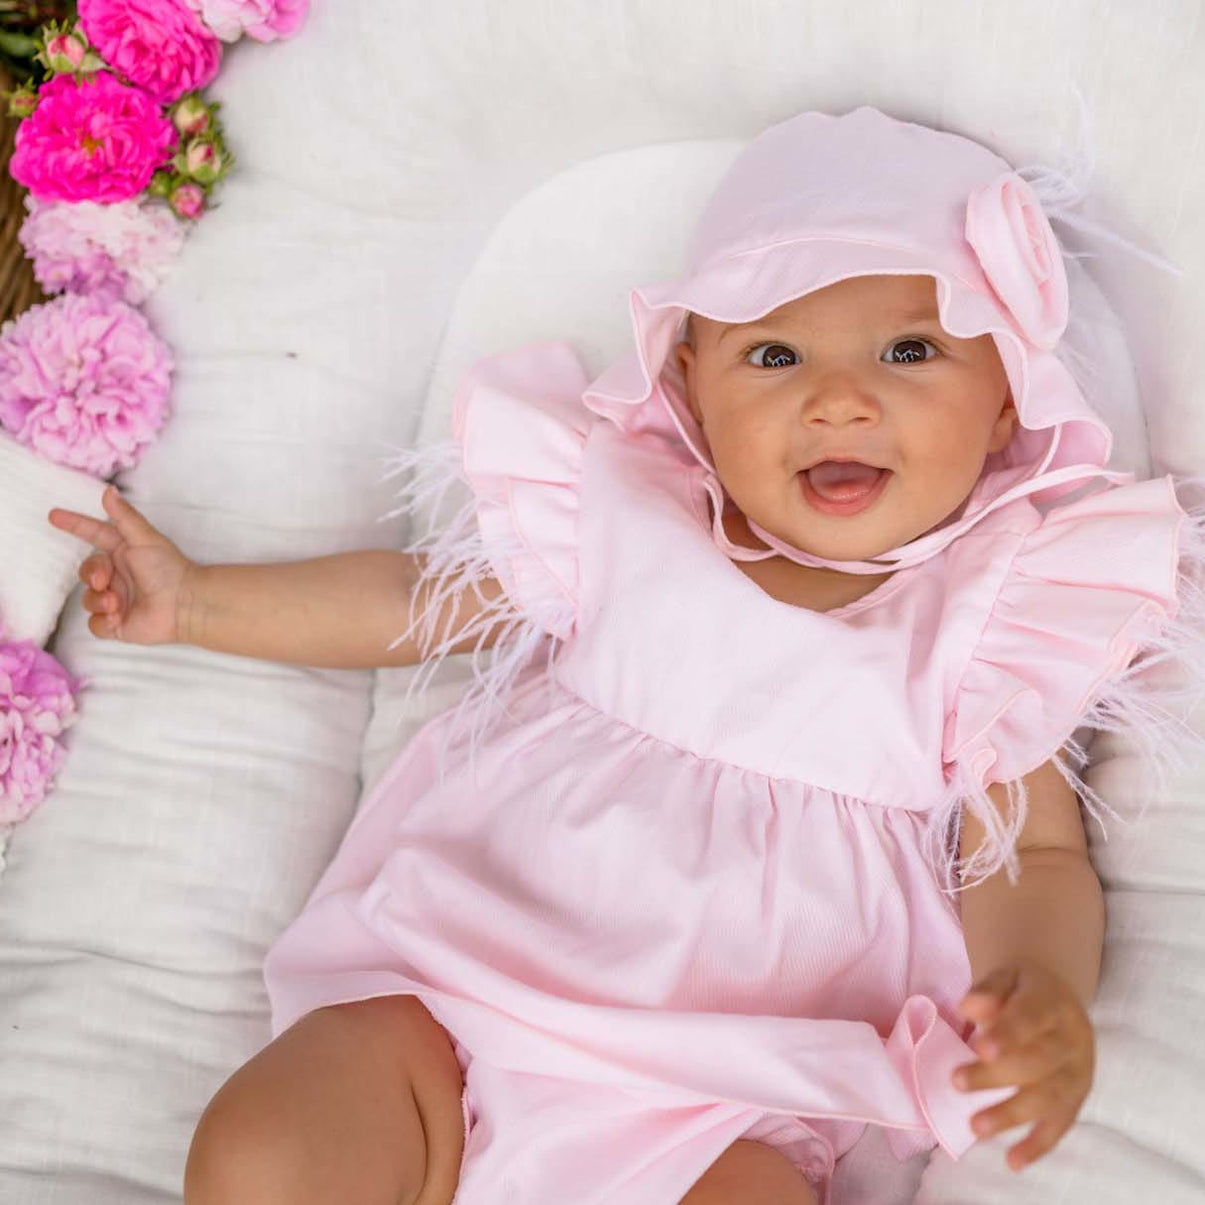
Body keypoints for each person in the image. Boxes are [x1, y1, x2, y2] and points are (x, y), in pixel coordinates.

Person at [48, 106, 1205, 1205]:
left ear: (1004, 401)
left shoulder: (989, 616)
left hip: (726, 1097)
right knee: (267, 1148)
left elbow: (1031, 853)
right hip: (453, 1000)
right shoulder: (624, 511)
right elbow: (415, 602)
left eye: (908, 350)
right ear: (689, 385)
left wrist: (1040, 990)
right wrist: (200, 602)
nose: (838, 400)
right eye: (773, 355)